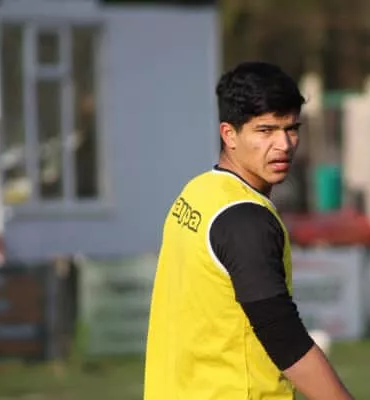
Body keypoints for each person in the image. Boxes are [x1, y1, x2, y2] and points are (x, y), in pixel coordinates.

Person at [143, 61, 354, 400]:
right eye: (265, 130)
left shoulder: (198, 192)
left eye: (291, 128)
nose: (284, 144)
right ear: (229, 134)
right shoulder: (245, 219)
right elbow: (283, 336)